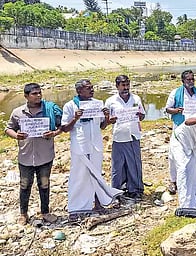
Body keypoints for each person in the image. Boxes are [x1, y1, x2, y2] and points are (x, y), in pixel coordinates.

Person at [61, 79, 123, 219]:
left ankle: (98, 204)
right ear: (79, 91)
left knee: (96, 174)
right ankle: (76, 207)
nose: (92, 90)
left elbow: (102, 126)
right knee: (79, 176)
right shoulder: (70, 106)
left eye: (92, 87)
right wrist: (75, 119)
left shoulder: (96, 104)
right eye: (88, 88)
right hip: (80, 147)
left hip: (95, 145)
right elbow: (65, 128)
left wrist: (107, 118)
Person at [5, 83, 62, 225]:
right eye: (34, 94)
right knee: (24, 185)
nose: (38, 96)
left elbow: (62, 127)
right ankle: (23, 214)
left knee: (44, 184)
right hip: (25, 157)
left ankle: (45, 212)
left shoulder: (49, 110)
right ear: (26, 96)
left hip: (45, 156)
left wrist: (54, 133)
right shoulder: (18, 112)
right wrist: (16, 135)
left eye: (39, 93)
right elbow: (8, 129)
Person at [105, 75, 146, 200]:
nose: (126, 88)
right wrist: (110, 120)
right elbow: (105, 120)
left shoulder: (136, 98)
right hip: (118, 136)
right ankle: (118, 190)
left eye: (127, 84)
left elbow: (142, 116)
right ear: (117, 86)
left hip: (133, 135)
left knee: (134, 164)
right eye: (123, 85)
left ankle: (136, 189)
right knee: (118, 165)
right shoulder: (110, 101)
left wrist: (139, 115)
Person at [165, 70, 196, 194]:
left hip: (194, 129)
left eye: (193, 79)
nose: (191, 82)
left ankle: (193, 180)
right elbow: (167, 109)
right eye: (188, 80)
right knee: (174, 155)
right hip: (180, 128)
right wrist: (176, 110)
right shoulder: (175, 93)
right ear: (183, 81)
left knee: (195, 153)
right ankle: (173, 180)